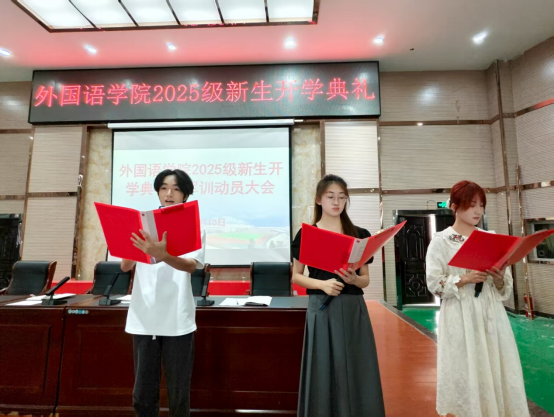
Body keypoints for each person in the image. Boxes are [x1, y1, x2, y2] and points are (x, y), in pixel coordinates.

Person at [426, 180, 529, 417]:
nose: (478, 211)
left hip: (491, 312)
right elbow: (434, 284)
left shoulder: (490, 238)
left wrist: (500, 278)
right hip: (461, 313)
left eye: (481, 205)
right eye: (471, 205)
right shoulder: (441, 241)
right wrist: (464, 279)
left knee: (497, 363)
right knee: (467, 366)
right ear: (454, 207)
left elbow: (504, 288)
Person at [291, 174, 385, 417]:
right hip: (321, 306)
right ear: (318, 199)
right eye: (331, 196)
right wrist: (322, 285)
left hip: (353, 307)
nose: (336, 202)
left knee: (357, 364)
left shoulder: (358, 234)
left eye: (342, 197)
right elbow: (296, 276)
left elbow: (365, 279)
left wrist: (354, 280)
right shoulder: (307, 234)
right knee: (323, 365)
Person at [121, 169, 206, 417]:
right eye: (164, 188)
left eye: (176, 189)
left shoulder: (193, 225)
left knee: (178, 392)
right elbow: (125, 266)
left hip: (177, 319)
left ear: (185, 195)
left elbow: (191, 266)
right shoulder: (141, 225)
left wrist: (163, 255)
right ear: (158, 192)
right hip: (144, 318)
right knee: (143, 393)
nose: (169, 194)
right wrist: (139, 247)